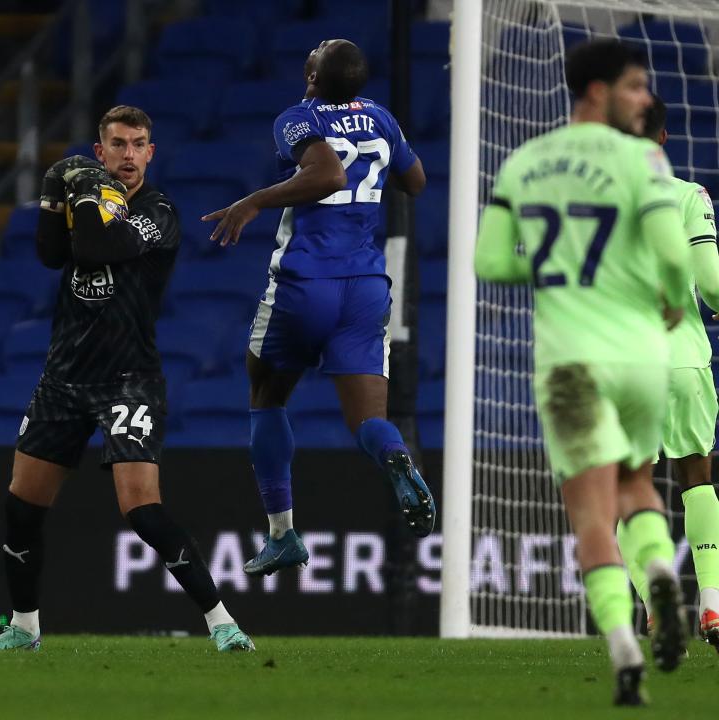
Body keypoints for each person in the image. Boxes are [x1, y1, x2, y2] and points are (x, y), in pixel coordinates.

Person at [0, 106, 254, 653]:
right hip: (64, 376)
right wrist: (57, 198)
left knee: (143, 510)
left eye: (139, 144)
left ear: (152, 152)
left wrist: (80, 194)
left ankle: (221, 620)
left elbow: (99, 247)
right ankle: (24, 627)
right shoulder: (91, 196)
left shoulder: (159, 211)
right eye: (119, 144)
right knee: (21, 507)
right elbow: (52, 254)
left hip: (129, 378)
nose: (129, 155)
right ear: (100, 152)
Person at [474, 40, 689, 705]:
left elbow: (491, 264)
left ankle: (625, 650)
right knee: (638, 486)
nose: (645, 98)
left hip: (570, 361)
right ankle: (660, 567)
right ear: (596, 90)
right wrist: (674, 303)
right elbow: (673, 255)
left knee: (591, 513)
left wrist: (553, 260)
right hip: (642, 355)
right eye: (633, 86)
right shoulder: (642, 157)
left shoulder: (525, 161)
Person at [201, 39, 433, 578]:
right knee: (369, 420)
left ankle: (282, 534)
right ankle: (397, 459)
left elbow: (327, 174)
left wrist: (252, 200)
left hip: (307, 283)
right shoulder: (380, 116)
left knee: (266, 394)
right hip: (366, 286)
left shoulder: (296, 117)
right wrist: (378, 157)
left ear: (311, 76)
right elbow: (415, 182)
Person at [616, 94, 719, 651]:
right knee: (698, 483)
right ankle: (713, 608)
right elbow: (713, 283)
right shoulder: (689, 197)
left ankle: (657, 611)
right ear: (663, 138)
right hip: (682, 360)